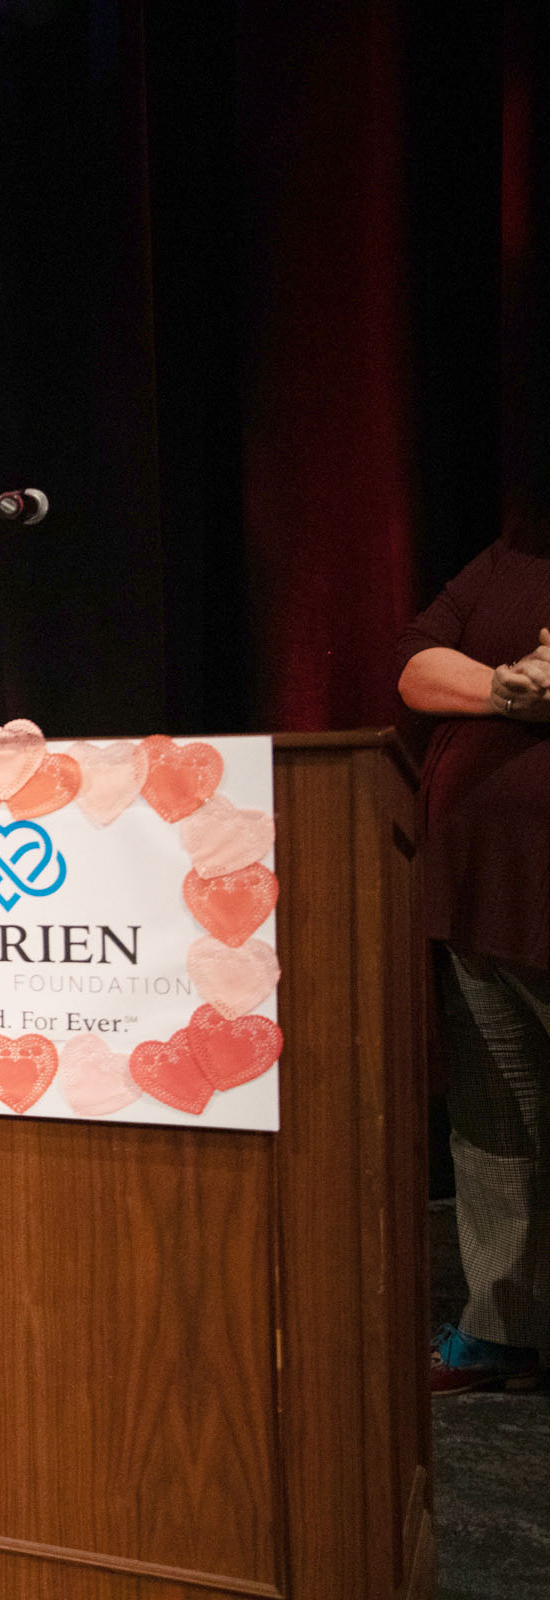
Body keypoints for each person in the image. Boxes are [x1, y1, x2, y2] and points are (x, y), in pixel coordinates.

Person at [397, 529, 550, 1395]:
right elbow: (416, 669)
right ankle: (504, 1329)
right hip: (478, 885)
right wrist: (505, 689)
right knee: (497, 1121)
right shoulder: (508, 559)